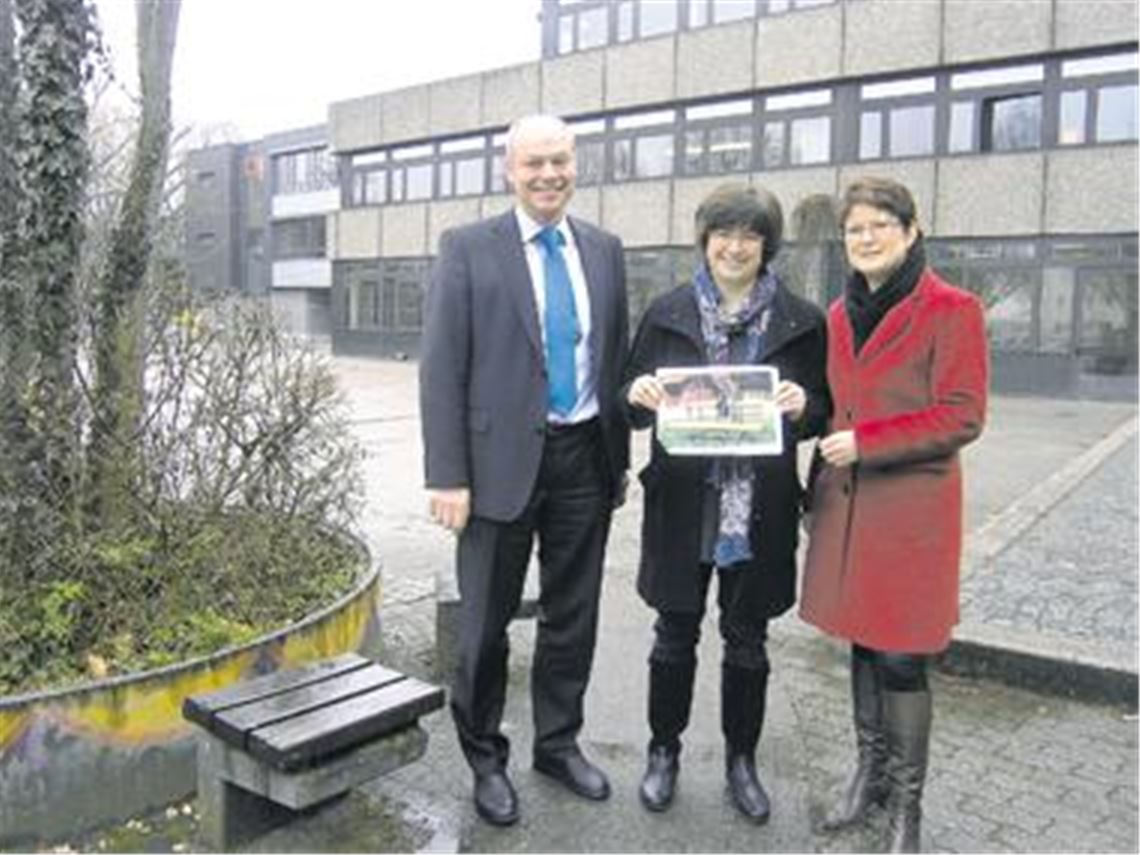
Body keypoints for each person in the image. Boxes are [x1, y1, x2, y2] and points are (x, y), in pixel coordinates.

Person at [419, 114, 630, 827]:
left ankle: (557, 743)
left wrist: (618, 461)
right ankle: (485, 756)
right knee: (483, 624)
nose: (549, 174)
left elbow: (612, 358)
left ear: (576, 165)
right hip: (494, 466)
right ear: (509, 170)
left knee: (574, 616)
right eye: (534, 163)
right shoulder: (468, 248)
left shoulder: (604, 250)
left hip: (582, 460)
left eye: (560, 161)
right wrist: (447, 474)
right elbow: (442, 365)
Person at [623, 184, 829, 823]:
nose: (734, 247)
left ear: (766, 245)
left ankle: (743, 761)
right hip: (684, 503)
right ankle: (664, 752)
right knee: (672, 635)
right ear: (705, 239)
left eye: (749, 235)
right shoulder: (667, 312)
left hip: (758, 506)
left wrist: (806, 407)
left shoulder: (802, 320)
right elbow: (625, 399)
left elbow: (824, 408)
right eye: (723, 234)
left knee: (748, 641)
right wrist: (641, 389)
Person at [800, 177, 989, 853]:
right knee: (862, 640)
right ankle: (866, 781)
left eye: (882, 223)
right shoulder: (838, 314)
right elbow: (833, 405)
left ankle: (907, 808)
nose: (867, 237)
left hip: (912, 512)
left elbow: (963, 412)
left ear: (911, 231)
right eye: (856, 228)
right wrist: (801, 412)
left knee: (904, 659)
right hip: (847, 510)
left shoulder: (952, 308)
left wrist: (870, 443)